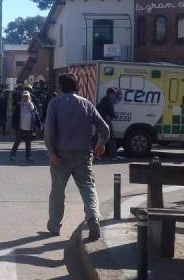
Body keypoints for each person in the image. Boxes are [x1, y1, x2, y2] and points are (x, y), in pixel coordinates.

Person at [44, 73, 109, 240]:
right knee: (88, 187)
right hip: (84, 153)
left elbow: (49, 130)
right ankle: (93, 217)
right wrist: (101, 143)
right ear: (77, 87)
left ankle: (54, 226)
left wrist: (51, 152)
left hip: (61, 154)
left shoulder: (54, 104)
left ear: (59, 88)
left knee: (58, 192)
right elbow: (105, 129)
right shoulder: (87, 104)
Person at [10, 91, 41, 162]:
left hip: (29, 127)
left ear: (29, 97)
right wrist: (13, 126)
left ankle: (28, 156)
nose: (25, 98)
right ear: (22, 97)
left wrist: (39, 125)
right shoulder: (19, 105)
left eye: (26, 96)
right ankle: (12, 155)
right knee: (17, 141)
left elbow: (36, 115)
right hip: (20, 127)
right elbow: (14, 116)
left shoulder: (32, 105)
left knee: (28, 142)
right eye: (24, 96)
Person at [96, 87, 123, 161]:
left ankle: (113, 155)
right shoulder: (106, 100)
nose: (114, 95)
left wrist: (112, 115)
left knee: (107, 138)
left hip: (105, 121)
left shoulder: (106, 100)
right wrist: (108, 116)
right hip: (105, 122)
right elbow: (100, 110)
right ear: (110, 93)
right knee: (105, 138)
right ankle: (99, 155)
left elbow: (106, 110)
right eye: (114, 93)